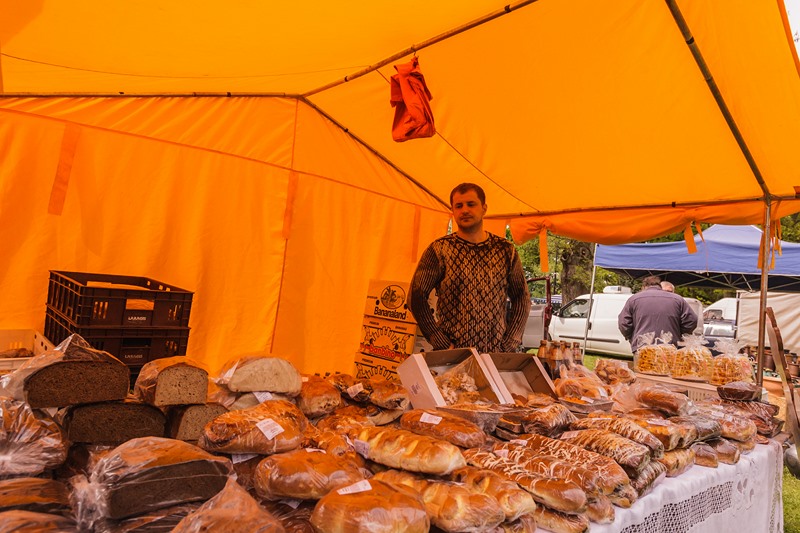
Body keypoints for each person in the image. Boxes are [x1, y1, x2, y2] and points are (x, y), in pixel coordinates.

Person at [410, 183, 531, 353]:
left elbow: (521, 297)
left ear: (484, 208)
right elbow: (416, 295)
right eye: (459, 206)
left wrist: (510, 342)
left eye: (471, 204)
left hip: (494, 354)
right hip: (452, 356)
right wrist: (439, 340)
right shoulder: (440, 250)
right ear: (453, 211)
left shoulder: (505, 250)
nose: (465, 210)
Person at [618, 275, 698, 352]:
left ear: (644, 286)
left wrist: (632, 338)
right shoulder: (678, 299)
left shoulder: (633, 300)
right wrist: (679, 334)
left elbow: (623, 323)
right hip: (670, 347)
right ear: (660, 285)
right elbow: (692, 320)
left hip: (642, 348)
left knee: (643, 362)